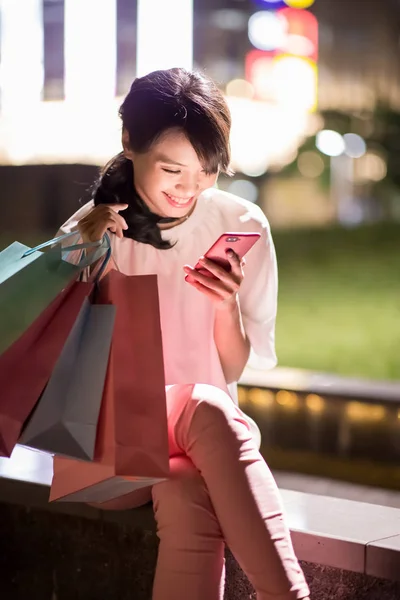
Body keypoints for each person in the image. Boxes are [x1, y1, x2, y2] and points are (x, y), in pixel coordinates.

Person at [58, 68, 310, 600]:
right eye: (172, 169)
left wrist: (226, 307)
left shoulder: (240, 224)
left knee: (190, 486)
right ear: (130, 143)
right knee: (212, 410)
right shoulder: (88, 234)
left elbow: (233, 370)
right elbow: (56, 367)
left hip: (199, 452)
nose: (189, 188)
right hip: (110, 453)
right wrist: (83, 262)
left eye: (207, 170)